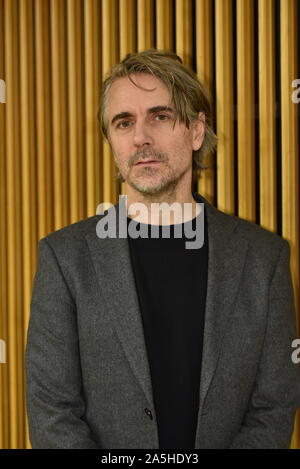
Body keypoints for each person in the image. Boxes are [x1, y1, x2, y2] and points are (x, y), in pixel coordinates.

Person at [25, 49, 300, 449]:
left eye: (160, 115)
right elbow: (52, 412)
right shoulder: (64, 259)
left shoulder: (264, 259)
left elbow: (273, 409)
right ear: (113, 142)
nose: (141, 137)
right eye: (124, 122)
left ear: (196, 131)